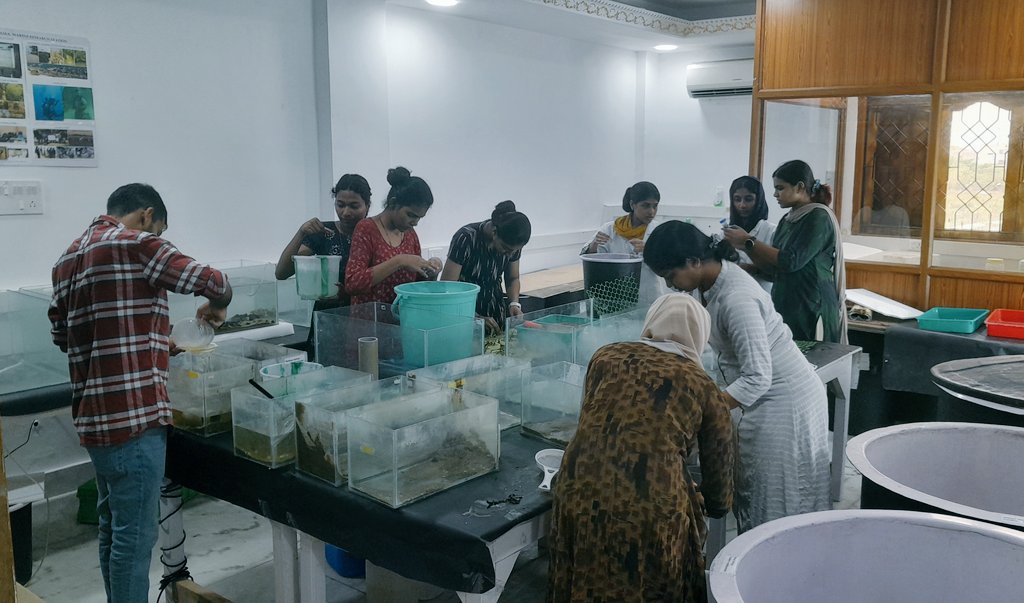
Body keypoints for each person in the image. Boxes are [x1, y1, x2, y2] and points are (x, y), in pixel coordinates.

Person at [48, 183, 232, 603]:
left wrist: (147, 340)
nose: (159, 237)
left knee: (114, 527)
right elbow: (212, 280)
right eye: (160, 229)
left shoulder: (67, 258)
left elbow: (66, 337)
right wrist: (218, 304)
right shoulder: (139, 244)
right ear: (147, 216)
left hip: (94, 418)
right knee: (135, 538)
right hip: (134, 419)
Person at [644, 220, 831, 533]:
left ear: (693, 262)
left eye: (670, 275)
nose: (669, 285)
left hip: (785, 402)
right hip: (760, 398)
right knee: (753, 490)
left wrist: (704, 407)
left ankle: (779, 570)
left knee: (777, 500)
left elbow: (758, 376)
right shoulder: (709, 284)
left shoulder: (737, 299)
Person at [547, 293, 734, 603]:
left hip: (579, 484)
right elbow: (720, 466)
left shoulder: (605, 356)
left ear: (651, 322)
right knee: (646, 582)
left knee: (585, 568)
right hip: (652, 498)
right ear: (700, 335)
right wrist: (715, 505)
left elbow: (595, 424)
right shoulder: (703, 386)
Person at [732, 160, 847, 343]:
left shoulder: (818, 217)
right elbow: (775, 269)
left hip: (812, 306)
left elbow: (791, 261)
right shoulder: (787, 220)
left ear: (800, 187)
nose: (775, 194)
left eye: (780, 188)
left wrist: (748, 242)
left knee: (813, 364)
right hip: (789, 306)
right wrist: (752, 267)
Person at [275, 174, 371, 358]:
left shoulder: (374, 234)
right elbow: (282, 272)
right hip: (328, 320)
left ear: (367, 205)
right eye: (340, 204)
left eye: (354, 206)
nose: (346, 212)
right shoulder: (324, 233)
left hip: (364, 317)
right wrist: (301, 232)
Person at [345, 166, 440, 306]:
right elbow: (352, 283)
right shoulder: (366, 229)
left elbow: (418, 286)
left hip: (402, 320)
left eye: (419, 218)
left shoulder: (410, 235)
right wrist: (399, 261)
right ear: (393, 203)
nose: (415, 222)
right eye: (410, 215)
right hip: (369, 322)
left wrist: (431, 270)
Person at [440, 200, 531, 333]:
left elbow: (512, 278)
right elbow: (448, 288)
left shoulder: (513, 243)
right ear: (494, 232)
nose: (509, 254)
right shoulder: (466, 238)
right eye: (506, 249)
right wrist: (475, 318)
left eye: (514, 251)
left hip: (495, 312)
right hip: (465, 315)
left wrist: (514, 303)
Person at [581, 181, 671, 306]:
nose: (651, 211)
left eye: (655, 206)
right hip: (616, 297)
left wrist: (649, 250)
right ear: (632, 204)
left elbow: (671, 264)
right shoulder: (610, 229)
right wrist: (594, 246)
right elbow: (592, 260)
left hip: (650, 298)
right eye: (645, 206)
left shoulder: (659, 231)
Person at [721, 175, 775, 291]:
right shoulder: (727, 232)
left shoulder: (771, 231)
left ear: (759, 200)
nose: (742, 205)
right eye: (737, 199)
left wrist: (753, 269)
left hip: (762, 294)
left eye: (748, 199)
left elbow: (778, 272)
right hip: (732, 293)